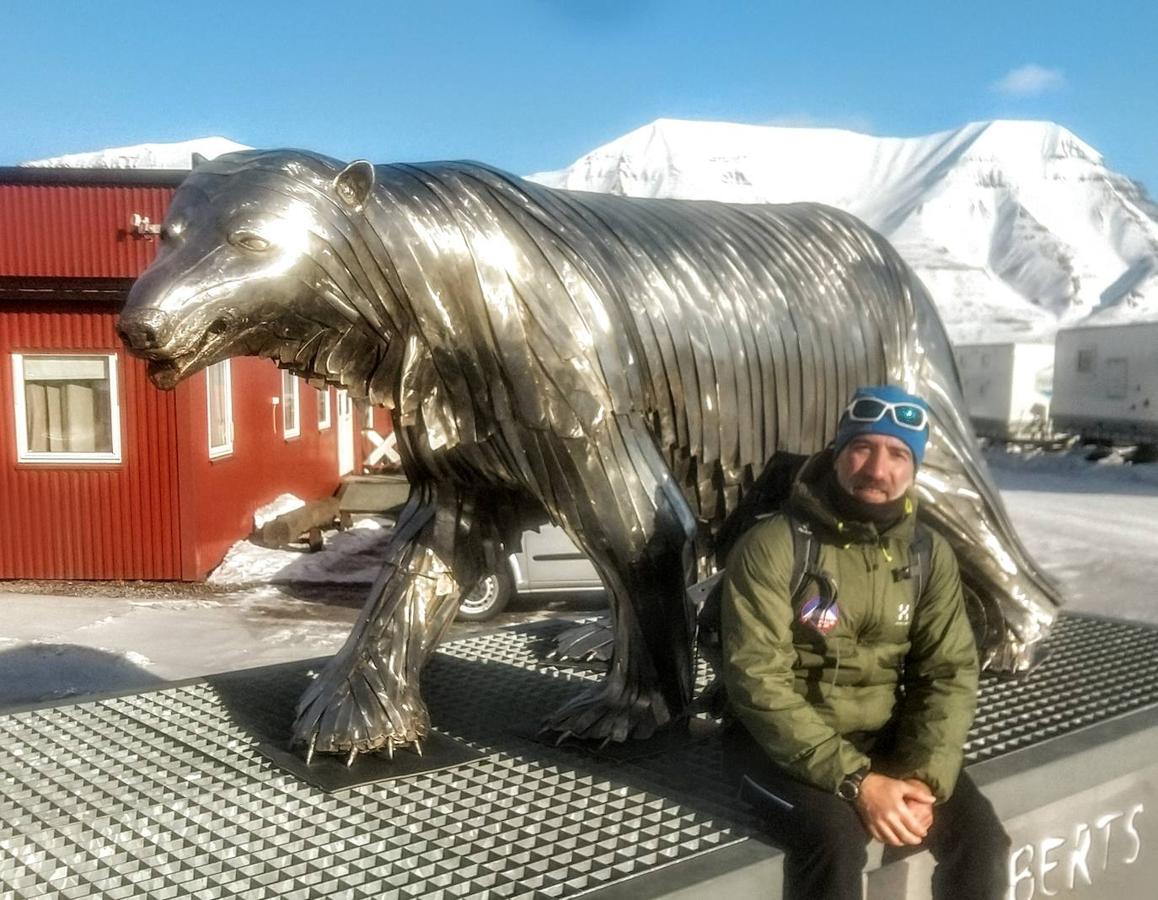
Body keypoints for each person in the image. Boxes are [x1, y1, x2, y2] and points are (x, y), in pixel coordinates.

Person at [720, 384, 1010, 899]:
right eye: (862, 448)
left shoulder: (926, 553)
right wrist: (857, 783)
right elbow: (756, 678)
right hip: (773, 746)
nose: (878, 469)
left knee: (982, 842)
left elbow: (948, 670)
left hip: (879, 734)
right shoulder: (775, 546)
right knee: (834, 841)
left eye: (898, 453)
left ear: (914, 469)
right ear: (836, 454)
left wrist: (925, 779)